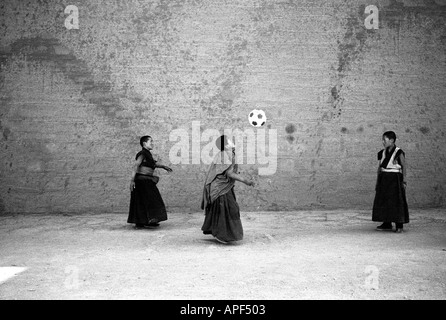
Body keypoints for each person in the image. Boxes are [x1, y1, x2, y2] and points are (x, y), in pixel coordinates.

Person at [201, 135, 255, 244]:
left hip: (222, 187)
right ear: (225, 145)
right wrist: (245, 180)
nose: (232, 142)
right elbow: (229, 173)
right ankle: (222, 235)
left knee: (226, 209)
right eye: (229, 141)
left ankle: (219, 232)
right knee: (229, 209)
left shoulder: (226, 154)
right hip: (220, 188)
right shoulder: (225, 155)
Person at [128, 135, 172, 229]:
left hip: (147, 180)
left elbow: (153, 164)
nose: (152, 143)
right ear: (144, 143)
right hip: (141, 181)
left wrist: (163, 166)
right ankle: (143, 221)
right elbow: (136, 166)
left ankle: (149, 220)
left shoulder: (148, 154)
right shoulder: (142, 153)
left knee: (149, 201)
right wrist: (132, 181)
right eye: (150, 141)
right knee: (146, 201)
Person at [372, 131, 409, 233]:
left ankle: (399, 225)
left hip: (395, 179)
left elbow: (404, 167)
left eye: (385, 140)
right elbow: (379, 167)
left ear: (392, 141)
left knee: (396, 201)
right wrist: (377, 181)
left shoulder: (399, 152)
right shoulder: (382, 152)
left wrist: (404, 181)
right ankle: (386, 223)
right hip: (384, 178)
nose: (383, 142)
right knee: (384, 200)